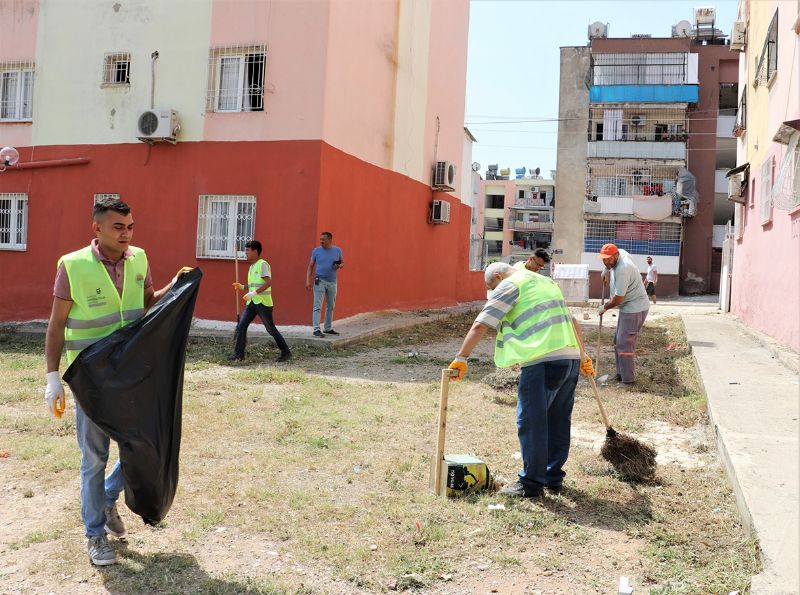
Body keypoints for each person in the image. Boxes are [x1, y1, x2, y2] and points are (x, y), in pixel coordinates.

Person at [43, 197, 190, 566]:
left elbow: (145, 304)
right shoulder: (72, 266)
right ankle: (94, 535)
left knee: (144, 444)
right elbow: (56, 324)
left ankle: (109, 498)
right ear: (97, 229)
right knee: (94, 457)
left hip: (131, 374)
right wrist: (51, 377)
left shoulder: (139, 258)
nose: (126, 234)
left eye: (130, 227)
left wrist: (174, 287)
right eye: (117, 227)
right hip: (91, 379)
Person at [448, 262, 594, 498]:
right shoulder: (546, 282)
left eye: (492, 287)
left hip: (542, 360)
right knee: (558, 420)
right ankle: (552, 477)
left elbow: (481, 324)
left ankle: (531, 483)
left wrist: (461, 357)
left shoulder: (509, 285)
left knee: (531, 421)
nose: (494, 292)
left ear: (497, 276)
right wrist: (583, 355)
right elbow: (573, 321)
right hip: (569, 359)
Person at [230, 240, 292, 363]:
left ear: (255, 251)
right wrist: (242, 287)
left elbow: (268, 282)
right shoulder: (252, 267)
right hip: (252, 303)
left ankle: (286, 351)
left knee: (270, 329)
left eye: (248, 250)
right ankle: (239, 355)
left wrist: (254, 293)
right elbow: (253, 285)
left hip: (263, 303)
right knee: (241, 326)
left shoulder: (263, 264)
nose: (245, 253)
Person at [597, 244, 650, 384]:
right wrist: (606, 270)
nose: (606, 262)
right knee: (617, 342)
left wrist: (604, 307)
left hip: (635, 308)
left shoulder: (623, 268)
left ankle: (628, 381)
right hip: (627, 307)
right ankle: (620, 374)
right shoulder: (620, 252)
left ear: (616, 256)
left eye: (609, 259)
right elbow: (613, 258)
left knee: (624, 343)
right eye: (604, 260)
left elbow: (618, 298)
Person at [305, 231, 344, 338]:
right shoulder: (316, 251)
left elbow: (342, 263)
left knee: (331, 306)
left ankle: (327, 328)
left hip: (332, 282)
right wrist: (308, 281)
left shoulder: (337, 250)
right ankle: (316, 329)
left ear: (330, 240)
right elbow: (310, 266)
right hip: (320, 281)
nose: (321, 241)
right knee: (317, 306)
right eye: (321, 239)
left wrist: (339, 266)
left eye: (323, 239)